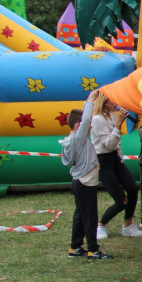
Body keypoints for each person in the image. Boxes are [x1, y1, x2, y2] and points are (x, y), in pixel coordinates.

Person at [60, 90, 113, 261]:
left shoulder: (70, 139)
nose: (89, 127)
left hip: (78, 182)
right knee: (90, 217)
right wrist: (90, 100)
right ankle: (93, 250)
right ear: (78, 126)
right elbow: (85, 121)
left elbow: (82, 120)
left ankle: (75, 247)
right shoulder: (78, 138)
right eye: (85, 125)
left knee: (80, 215)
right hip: (85, 183)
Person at [90, 93, 142, 238]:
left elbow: (116, 144)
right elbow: (108, 145)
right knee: (121, 201)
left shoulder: (111, 116)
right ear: (104, 102)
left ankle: (128, 225)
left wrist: (120, 157)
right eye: (112, 100)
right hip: (103, 161)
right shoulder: (97, 120)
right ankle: (101, 225)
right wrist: (118, 125)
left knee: (132, 188)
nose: (116, 103)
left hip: (115, 158)